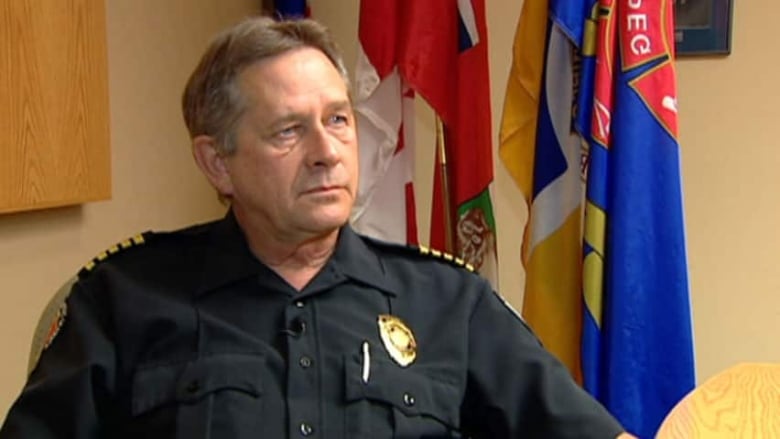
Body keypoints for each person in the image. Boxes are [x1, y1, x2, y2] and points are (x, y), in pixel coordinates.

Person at [0, 17, 634, 438]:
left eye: (338, 120)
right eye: (288, 130)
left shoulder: (449, 303)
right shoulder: (123, 300)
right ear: (217, 162)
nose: (327, 151)